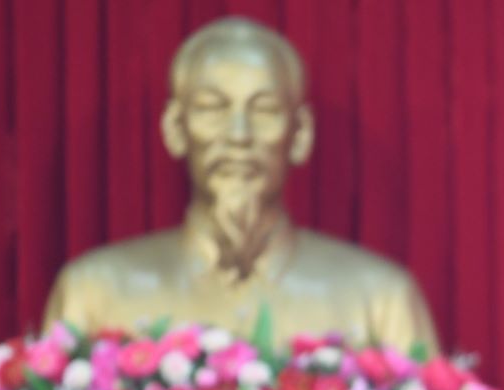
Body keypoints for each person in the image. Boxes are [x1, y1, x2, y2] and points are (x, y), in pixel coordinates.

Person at [44, 16, 437, 349]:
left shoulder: (380, 299)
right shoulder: (94, 292)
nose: (238, 135)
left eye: (264, 110)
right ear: (175, 128)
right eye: (211, 108)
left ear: (300, 134)